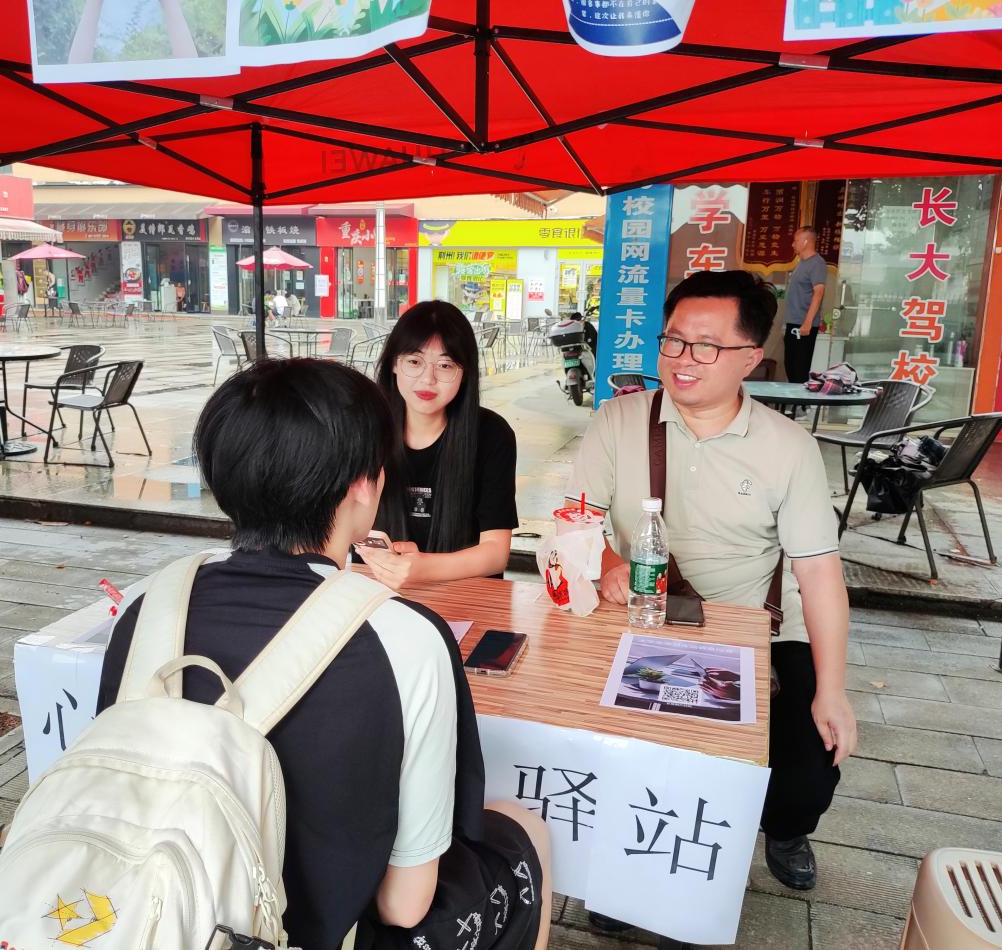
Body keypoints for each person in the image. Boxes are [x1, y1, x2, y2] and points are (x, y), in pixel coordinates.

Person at [96, 358, 551, 950]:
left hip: (146, 917)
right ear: (364, 485)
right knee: (525, 833)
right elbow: (404, 904)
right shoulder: (406, 636)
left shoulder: (147, 610)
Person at [567, 269, 856, 894]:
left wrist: (832, 690)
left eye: (706, 346)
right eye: (673, 340)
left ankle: (786, 829)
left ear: (750, 357)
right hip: (645, 618)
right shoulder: (618, 420)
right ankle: (631, 856)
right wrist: (611, 564)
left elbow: (818, 573)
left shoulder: (789, 447)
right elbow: (577, 523)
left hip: (759, 632)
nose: (682, 359)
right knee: (625, 750)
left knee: (806, 773)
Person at [355, 301, 519, 588]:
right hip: (376, 591)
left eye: (445, 365)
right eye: (414, 362)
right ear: (394, 363)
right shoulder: (364, 430)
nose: (427, 379)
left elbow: (495, 553)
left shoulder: (492, 435)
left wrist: (423, 569)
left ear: (465, 373)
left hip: (467, 595)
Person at [783, 226, 827, 384]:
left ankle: (799, 400)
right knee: (790, 367)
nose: (793, 244)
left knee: (799, 370)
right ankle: (794, 399)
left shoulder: (817, 263)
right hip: (793, 323)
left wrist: (808, 322)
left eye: (795, 240)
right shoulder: (801, 263)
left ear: (806, 241)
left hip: (803, 327)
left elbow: (818, 292)